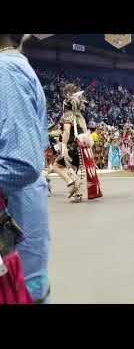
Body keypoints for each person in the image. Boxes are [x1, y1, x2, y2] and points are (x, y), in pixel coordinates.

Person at [0, 34, 49, 303]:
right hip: (23, 208)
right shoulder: (13, 66)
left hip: (15, 212)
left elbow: (21, 164)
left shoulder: (4, 70)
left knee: (23, 292)